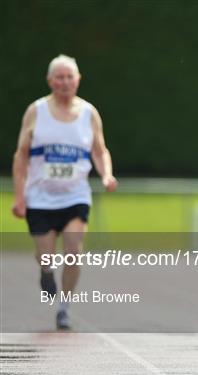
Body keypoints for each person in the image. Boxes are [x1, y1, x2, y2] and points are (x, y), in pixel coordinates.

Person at [11, 54, 117, 330]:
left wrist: (106, 173)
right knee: (45, 256)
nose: (65, 82)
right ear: (50, 81)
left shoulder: (88, 113)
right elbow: (21, 155)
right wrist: (19, 196)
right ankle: (46, 272)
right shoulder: (36, 112)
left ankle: (63, 307)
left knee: (74, 252)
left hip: (75, 195)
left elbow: (99, 149)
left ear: (78, 80)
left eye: (70, 77)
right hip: (40, 197)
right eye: (59, 77)